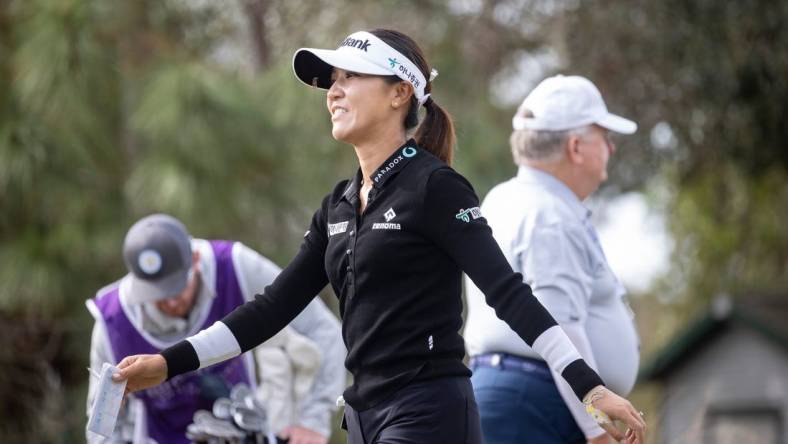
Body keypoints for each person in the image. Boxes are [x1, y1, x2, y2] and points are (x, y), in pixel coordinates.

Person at [111, 29, 647, 444]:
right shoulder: (338, 206)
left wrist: (589, 386)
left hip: (429, 411)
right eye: (331, 81)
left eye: (350, 78)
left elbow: (509, 293)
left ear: (399, 94)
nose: (333, 92)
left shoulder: (436, 187)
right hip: (365, 416)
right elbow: (270, 309)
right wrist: (168, 362)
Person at [464, 74, 642, 444]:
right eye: (604, 138)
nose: (611, 148)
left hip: (523, 394)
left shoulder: (509, 197)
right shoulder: (549, 215)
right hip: (537, 401)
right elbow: (563, 325)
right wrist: (596, 429)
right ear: (575, 147)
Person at [86, 214, 345, 444]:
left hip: (243, 430)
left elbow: (323, 330)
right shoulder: (112, 320)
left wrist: (313, 421)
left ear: (196, 260)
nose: (171, 301)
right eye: (158, 293)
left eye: (177, 287)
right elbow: (101, 425)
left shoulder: (234, 266)